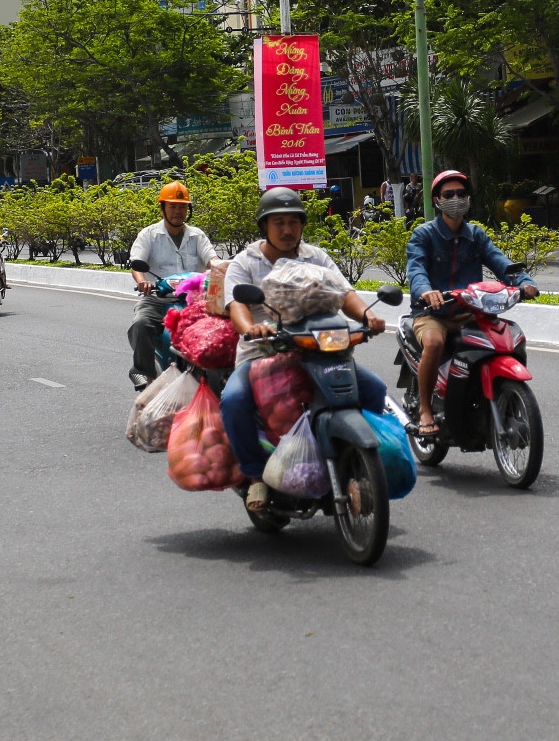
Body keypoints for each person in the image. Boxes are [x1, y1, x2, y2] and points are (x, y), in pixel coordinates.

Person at [222, 188, 387, 512]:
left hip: (318, 350)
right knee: (234, 400)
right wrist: (251, 328)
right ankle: (255, 475)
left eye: (293, 223)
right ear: (264, 227)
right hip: (264, 351)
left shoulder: (316, 258)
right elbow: (237, 306)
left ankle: (352, 460)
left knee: (375, 389)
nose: (287, 230)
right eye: (279, 222)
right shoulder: (245, 262)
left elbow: (344, 293)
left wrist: (367, 315)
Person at [405, 170, 538, 437]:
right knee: (433, 342)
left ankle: (498, 397)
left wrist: (523, 282)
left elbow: (500, 262)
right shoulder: (424, 235)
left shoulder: (476, 235)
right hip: (434, 313)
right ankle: (426, 410)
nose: (456, 199)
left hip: (470, 312)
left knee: (509, 337)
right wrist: (427, 291)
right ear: (437, 200)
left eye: (461, 194)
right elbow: (416, 269)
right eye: (449, 195)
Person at [126, 181, 216, 388]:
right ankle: (143, 371)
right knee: (140, 323)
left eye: (182, 206)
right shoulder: (149, 234)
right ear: (163, 208)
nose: (178, 211)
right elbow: (136, 263)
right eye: (173, 206)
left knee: (225, 324)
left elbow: (213, 259)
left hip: (195, 299)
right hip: (158, 299)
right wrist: (142, 282)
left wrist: (224, 268)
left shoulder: (197, 235)